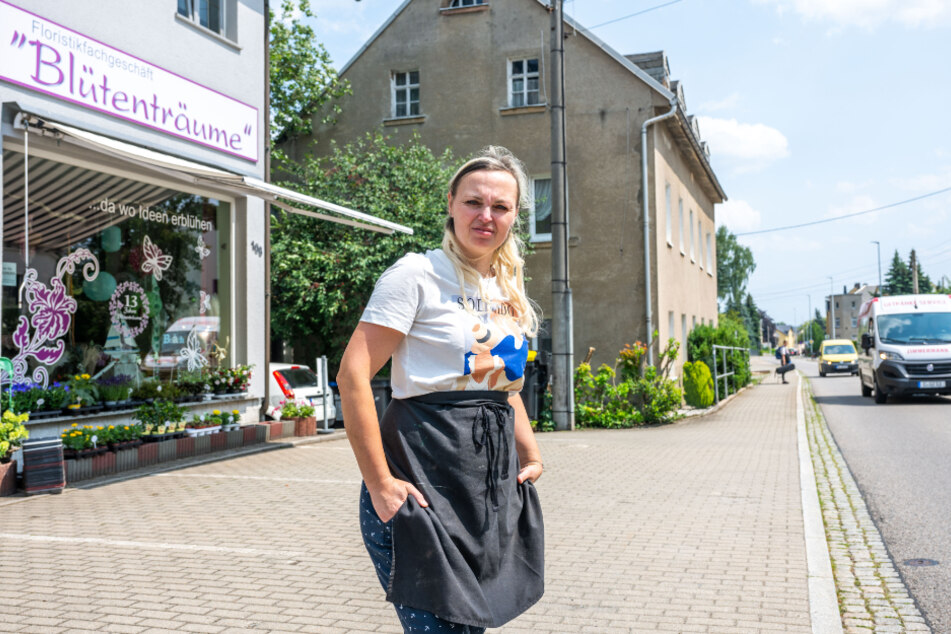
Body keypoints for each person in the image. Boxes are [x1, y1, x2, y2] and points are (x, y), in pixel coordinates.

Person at [337, 146, 545, 634]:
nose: (486, 215)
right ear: (451, 202)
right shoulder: (417, 274)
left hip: (486, 492)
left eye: (501, 206)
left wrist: (531, 454)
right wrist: (380, 485)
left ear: (514, 215)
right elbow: (353, 375)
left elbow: (503, 387)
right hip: (421, 483)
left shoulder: (505, 288)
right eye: (474, 201)